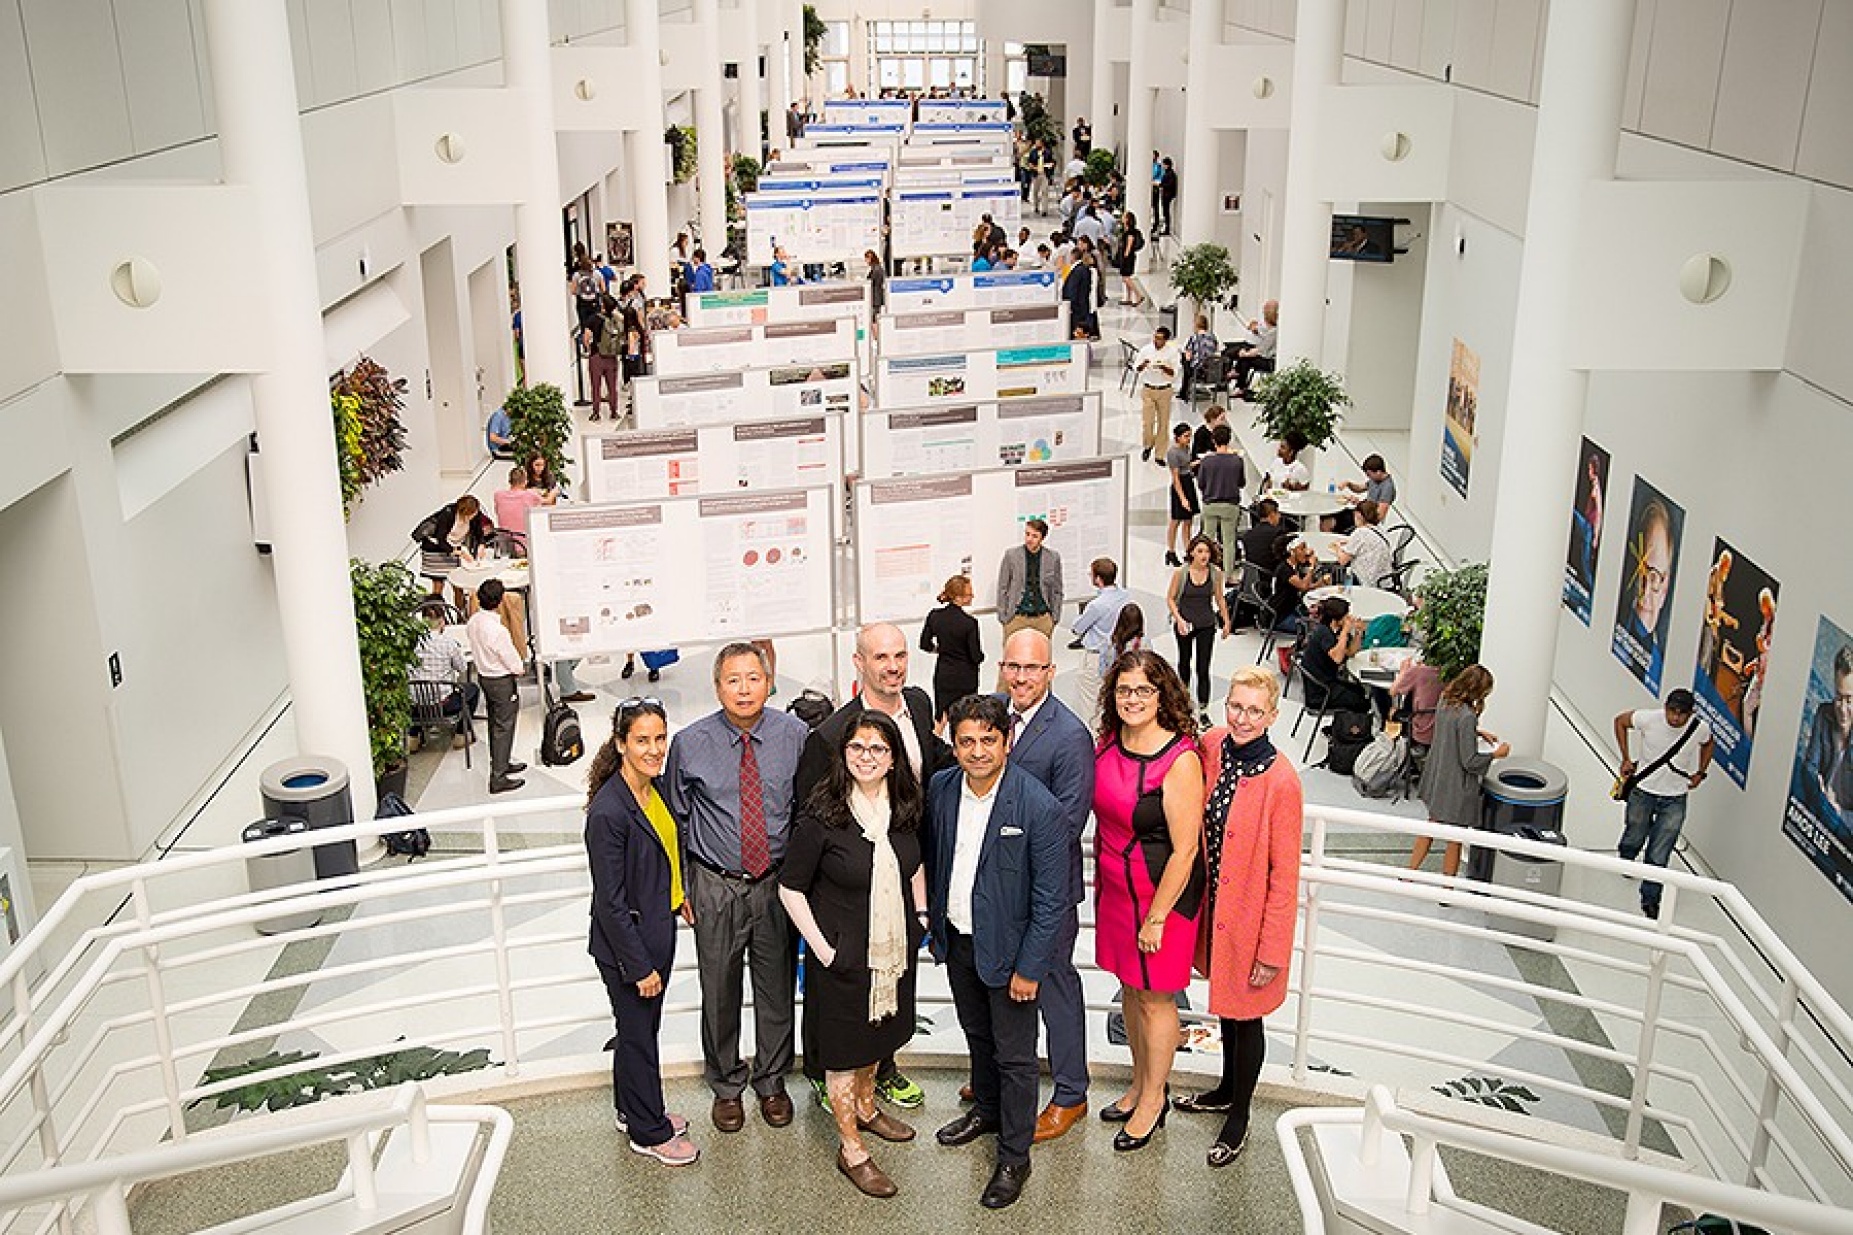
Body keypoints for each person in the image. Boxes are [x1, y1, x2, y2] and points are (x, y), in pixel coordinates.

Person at [796, 623, 953, 1112]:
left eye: (900, 655)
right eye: (881, 657)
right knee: (840, 986)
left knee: (896, 974)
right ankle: (828, 1071)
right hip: (849, 885)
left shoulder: (920, 707)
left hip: (907, 867)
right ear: (858, 663)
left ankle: (882, 1067)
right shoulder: (830, 735)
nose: (893, 666)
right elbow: (811, 819)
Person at [926, 694, 1066, 1210]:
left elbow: (1051, 900)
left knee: (1015, 1058)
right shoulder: (942, 789)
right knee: (977, 1037)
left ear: (1006, 741)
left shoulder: (1038, 806)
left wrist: (1030, 968)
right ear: (953, 743)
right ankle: (985, 1111)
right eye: (967, 741)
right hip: (960, 940)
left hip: (1012, 958)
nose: (978, 750)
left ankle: (1014, 1156)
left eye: (989, 740)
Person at [779, 711, 927, 1198]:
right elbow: (790, 888)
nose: (867, 757)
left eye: (878, 749)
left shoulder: (905, 808)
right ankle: (851, 1148)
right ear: (843, 755)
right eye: (857, 748)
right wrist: (822, 950)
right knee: (844, 1054)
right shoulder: (823, 815)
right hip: (841, 961)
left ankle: (867, 1107)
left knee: (879, 1039)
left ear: (893, 759)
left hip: (893, 957)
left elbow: (914, 865)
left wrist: (920, 917)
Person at [663, 644, 810, 1131]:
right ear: (717, 686)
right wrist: (681, 888)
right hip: (714, 883)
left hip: (776, 884)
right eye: (733, 679)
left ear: (770, 682)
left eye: (753, 678)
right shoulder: (690, 743)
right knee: (719, 990)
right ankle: (726, 1084)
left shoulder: (795, 736)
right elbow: (675, 820)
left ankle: (771, 1081)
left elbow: (808, 814)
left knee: (776, 990)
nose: (744, 688)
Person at [1178, 666, 1302, 1166]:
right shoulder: (1212, 744)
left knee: (1246, 1016)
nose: (1243, 718)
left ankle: (1240, 1115)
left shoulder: (1282, 783)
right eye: (1235, 706)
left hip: (1250, 920)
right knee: (1226, 1006)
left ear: (1272, 716)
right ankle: (1225, 1088)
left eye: (1254, 710)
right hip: (1215, 909)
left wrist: (1272, 951)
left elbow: (1285, 876)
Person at [1091, 650, 1203, 1153]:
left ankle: (1154, 1100)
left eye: (1143, 690)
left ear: (1163, 696)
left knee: (1157, 997)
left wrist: (1156, 918)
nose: (1132, 699)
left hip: (1163, 895)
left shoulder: (1178, 760)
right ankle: (1139, 1083)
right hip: (1116, 888)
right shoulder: (1110, 742)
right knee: (1131, 991)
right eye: (1123, 690)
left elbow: (1186, 850)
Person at [585, 697, 699, 1166]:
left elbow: (664, 851)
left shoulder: (653, 791)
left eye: (659, 738)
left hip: (656, 928)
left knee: (637, 1030)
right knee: (639, 1036)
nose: (654, 749)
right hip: (628, 948)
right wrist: (639, 967)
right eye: (642, 740)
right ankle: (648, 1131)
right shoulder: (608, 813)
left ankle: (628, 1109)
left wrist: (678, 896)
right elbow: (610, 903)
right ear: (621, 744)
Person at [995, 629, 1097, 1142]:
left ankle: (1071, 1093)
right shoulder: (992, 714)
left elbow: (1068, 822)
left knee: (1055, 987)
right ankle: (1007, 1074)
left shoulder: (1070, 735)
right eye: (1013, 667)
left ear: (1051, 672)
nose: (1020, 677)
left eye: (1031, 668)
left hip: (1044, 891)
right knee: (1003, 987)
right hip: (994, 891)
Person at [1614, 689, 1715, 919]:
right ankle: (1627, 856)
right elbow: (1620, 721)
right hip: (1643, 790)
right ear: (1665, 707)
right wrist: (1625, 758)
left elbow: (1708, 744)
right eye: (1672, 711)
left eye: (1682, 714)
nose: (1676, 718)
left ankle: (1650, 898)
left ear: (1691, 713)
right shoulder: (1649, 719)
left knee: (1660, 850)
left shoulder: (1700, 728)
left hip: (1675, 796)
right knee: (1635, 831)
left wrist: (1701, 772)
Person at [1411, 666, 1509, 878]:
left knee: (1431, 826)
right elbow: (1470, 761)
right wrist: (1496, 755)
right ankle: (1447, 888)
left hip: (1439, 777)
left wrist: (1477, 732)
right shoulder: (1467, 717)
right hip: (1457, 787)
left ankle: (1409, 873)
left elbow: (1450, 732)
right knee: (1454, 839)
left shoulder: (1444, 700)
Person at [465, 578, 526, 794]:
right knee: (504, 726)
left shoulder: (473, 622)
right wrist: (520, 668)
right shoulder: (498, 631)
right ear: (500, 601)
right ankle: (498, 777)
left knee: (495, 723)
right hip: (501, 681)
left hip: (484, 677)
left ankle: (502, 762)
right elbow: (510, 658)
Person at [1166, 534, 1233, 721]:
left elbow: (1219, 597)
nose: (1204, 555)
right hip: (1185, 623)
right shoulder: (1181, 573)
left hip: (1206, 624)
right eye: (1200, 551)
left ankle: (1203, 710)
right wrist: (1178, 619)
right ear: (1192, 553)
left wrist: (1226, 621)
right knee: (1184, 662)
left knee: (1203, 668)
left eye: (1207, 551)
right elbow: (1170, 598)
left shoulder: (1215, 573)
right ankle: (1183, 701)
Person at [1621, 497, 1677, 688]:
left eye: (1653, 576)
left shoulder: (1661, 674)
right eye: (1641, 571)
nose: (1644, 588)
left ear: (1665, 587)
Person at [1300, 597, 1377, 718]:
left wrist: (1358, 633)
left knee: (1360, 690)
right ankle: (1349, 729)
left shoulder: (1335, 631)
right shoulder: (1323, 633)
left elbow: (1350, 652)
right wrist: (1346, 630)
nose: (1349, 617)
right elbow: (1337, 658)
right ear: (1336, 619)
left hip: (1328, 679)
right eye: (1346, 615)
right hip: (1320, 690)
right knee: (1362, 703)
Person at [920, 575, 984, 720]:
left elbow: (924, 644)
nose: (973, 596)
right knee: (967, 717)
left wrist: (940, 650)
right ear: (958, 598)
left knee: (941, 717)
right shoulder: (969, 623)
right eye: (969, 594)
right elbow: (975, 656)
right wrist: (982, 657)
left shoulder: (934, 616)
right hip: (966, 678)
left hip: (944, 675)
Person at [995, 518, 1064, 651]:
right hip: (1017, 617)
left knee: (1041, 659)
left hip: (1042, 617)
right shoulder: (1011, 555)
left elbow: (1057, 589)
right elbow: (1003, 587)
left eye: (1034, 536)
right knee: (1012, 657)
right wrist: (1003, 616)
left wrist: (1054, 617)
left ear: (1042, 538)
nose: (1029, 539)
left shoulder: (1053, 557)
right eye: (1027, 534)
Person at [414, 495, 495, 606]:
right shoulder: (448, 513)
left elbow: (479, 532)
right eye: (468, 515)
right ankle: (437, 615)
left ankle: (460, 615)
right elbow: (440, 539)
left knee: (458, 585)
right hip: (435, 549)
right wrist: (458, 551)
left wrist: (481, 545)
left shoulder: (475, 514)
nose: (471, 517)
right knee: (438, 585)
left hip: (454, 546)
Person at [1803, 645, 1853, 819]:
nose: (1842, 709)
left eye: (1850, 700)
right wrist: (1820, 795)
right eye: (1839, 698)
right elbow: (1809, 767)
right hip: (1815, 809)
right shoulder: (1824, 714)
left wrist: (1838, 812)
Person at [412, 605, 480, 724]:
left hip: (416, 705)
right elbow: (462, 667)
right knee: (472, 689)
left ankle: (414, 735)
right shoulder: (448, 643)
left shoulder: (412, 642)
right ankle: (462, 732)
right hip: (443, 704)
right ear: (442, 621)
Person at [1197, 422, 1247, 569]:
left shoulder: (1206, 461)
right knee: (1229, 542)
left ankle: (1203, 569)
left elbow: (1201, 484)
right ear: (1229, 440)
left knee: (1207, 540)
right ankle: (1228, 575)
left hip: (1210, 503)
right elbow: (1241, 483)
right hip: (1230, 505)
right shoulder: (1237, 461)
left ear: (1213, 440)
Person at [1071, 557, 1131, 671]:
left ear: (1098, 579)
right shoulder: (1125, 595)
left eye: (1091, 574)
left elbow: (1078, 628)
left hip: (1097, 655)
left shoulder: (1096, 605)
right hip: (1120, 651)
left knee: (1090, 687)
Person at [1133, 326, 1182, 463]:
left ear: (1166, 340)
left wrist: (1163, 366)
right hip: (1148, 389)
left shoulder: (1172, 353)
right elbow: (1136, 368)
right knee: (1147, 422)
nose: (1156, 341)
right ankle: (1148, 445)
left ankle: (1160, 454)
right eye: (1155, 337)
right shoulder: (1145, 350)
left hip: (1164, 390)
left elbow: (1175, 373)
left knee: (1163, 423)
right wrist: (1143, 364)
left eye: (1160, 339)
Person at [1335, 499, 1395, 589]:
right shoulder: (1380, 529)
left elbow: (1343, 561)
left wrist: (1338, 547)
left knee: (1337, 571)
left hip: (1367, 583)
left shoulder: (1360, 533)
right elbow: (1367, 544)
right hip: (1384, 581)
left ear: (1358, 515)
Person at [1390, 653, 1444, 752]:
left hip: (1420, 728)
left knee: (1391, 710)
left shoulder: (1418, 671)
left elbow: (1393, 691)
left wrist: (1404, 671)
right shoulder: (1450, 672)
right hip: (1442, 728)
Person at [493, 465, 552, 550]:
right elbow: (548, 501)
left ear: (510, 481)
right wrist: (555, 491)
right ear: (525, 481)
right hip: (525, 546)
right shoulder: (530, 494)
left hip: (506, 546)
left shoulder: (498, 495)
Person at [1164, 423, 1199, 566]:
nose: (1189, 439)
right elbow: (1176, 477)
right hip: (1180, 486)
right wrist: (1182, 498)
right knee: (1176, 520)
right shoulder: (1173, 453)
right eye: (1186, 436)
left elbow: (1186, 466)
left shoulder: (1186, 448)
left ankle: (1188, 550)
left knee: (1188, 520)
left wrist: (1196, 463)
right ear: (1177, 437)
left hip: (1188, 482)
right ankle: (1171, 551)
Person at [1269, 535, 1318, 634]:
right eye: (1302, 548)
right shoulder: (1285, 570)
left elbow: (1304, 586)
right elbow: (1303, 586)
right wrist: (1312, 567)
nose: (1306, 552)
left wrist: (1320, 584)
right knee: (1315, 629)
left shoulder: (1294, 567)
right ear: (1292, 552)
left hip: (1292, 610)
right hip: (1280, 617)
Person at [586, 295, 622, 422]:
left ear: (602, 305)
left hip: (596, 356)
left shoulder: (593, 319)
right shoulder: (615, 320)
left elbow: (587, 337)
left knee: (596, 386)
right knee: (612, 386)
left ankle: (596, 413)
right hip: (612, 357)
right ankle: (614, 412)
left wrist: (589, 348)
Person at [1232, 300, 1278, 397]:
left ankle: (1239, 383)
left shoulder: (1274, 332)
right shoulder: (1269, 328)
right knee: (1244, 349)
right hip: (1264, 355)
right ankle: (1238, 379)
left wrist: (1246, 354)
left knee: (1246, 359)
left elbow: (1261, 350)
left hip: (1270, 361)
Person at [1061, 240, 1097, 339]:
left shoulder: (1077, 271)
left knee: (1077, 333)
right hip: (1082, 306)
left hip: (1077, 308)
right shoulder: (1084, 269)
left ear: (1073, 256)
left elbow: (1072, 290)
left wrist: (1069, 305)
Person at [1182, 318, 1221, 400]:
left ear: (1196, 325)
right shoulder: (1213, 337)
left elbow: (1188, 357)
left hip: (1199, 372)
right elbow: (1217, 351)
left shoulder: (1194, 338)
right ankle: (1184, 390)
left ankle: (1184, 391)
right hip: (1213, 372)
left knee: (1184, 359)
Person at [1114, 211, 1146, 308]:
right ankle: (1128, 297)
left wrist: (1125, 256)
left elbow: (1129, 244)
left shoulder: (1130, 232)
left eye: (1124, 217)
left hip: (1128, 257)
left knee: (1126, 278)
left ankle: (1138, 295)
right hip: (1128, 256)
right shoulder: (1128, 230)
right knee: (1125, 278)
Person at [1157, 157, 1179, 237]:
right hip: (1166, 195)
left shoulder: (1171, 174)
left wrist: (1160, 185)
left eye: (1164, 164)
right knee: (1165, 212)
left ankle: (1167, 229)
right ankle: (1166, 228)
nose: (1163, 166)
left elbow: (1169, 185)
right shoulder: (1168, 173)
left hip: (1168, 196)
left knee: (1166, 213)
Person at [864, 249, 887, 315]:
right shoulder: (876, 268)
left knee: (876, 315)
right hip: (876, 296)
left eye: (866, 259)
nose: (866, 261)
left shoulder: (876, 269)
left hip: (876, 296)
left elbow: (873, 281)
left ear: (870, 258)